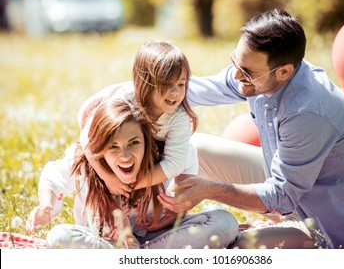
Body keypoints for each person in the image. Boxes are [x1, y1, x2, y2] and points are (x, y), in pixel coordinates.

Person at [157, 8, 344, 249]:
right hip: (292, 183)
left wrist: (210, 191)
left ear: (284, 71)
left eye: (247, 72)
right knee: (195, 147)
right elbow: (197, 89)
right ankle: (154, 223)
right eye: (236, 62)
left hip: (334, 223)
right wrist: (134, 95)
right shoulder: (264, 73)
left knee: (239, 247)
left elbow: (282, 196)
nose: (237, 75)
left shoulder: (307, 112)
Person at [25, 99, 238, 249]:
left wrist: (170, 217)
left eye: (134, 143)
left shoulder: (166, 160)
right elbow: (51, 176)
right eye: (113, 146)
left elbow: (187, 177)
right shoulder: (85, 162)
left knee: (225, 223)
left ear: (147, 141)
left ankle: (136, 259)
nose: (125, 156)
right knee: (60, 237)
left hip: (157, 239)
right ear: (100, 148)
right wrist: (46, 206)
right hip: (105, 243)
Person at [78, 40, 199, 198]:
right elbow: (87, 137)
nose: (175, 92)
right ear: (146, 83)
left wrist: (133, 183)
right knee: (80, 155)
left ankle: (177, 207)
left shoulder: (178, 117)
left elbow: (174, 163)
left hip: (145, 154)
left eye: (181, 84)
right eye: (166, 84)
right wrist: (107, 178)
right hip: (112, 143)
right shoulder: (124, 101)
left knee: (189, 152)